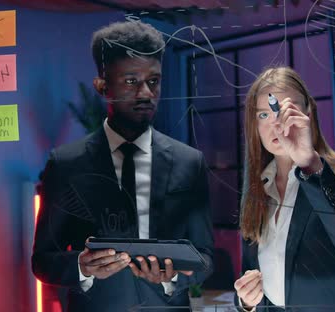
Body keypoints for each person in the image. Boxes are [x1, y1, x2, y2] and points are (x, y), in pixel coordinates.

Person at [32, 20, 214, 312]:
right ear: (102, 86)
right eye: (131, 81)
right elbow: (42, 260)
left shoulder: (190, 162)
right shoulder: (66, 164)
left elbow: (205, 256)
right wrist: (82, 266)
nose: (146, 93)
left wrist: (173, 278)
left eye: (153, 81)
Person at [233, 66, 335, 312]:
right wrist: (247, 301)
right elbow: (252, 276)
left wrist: (310, 164)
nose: (275, 124)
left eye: (283, 111)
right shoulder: (256, 190)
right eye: (263, 115)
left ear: (308, 112)